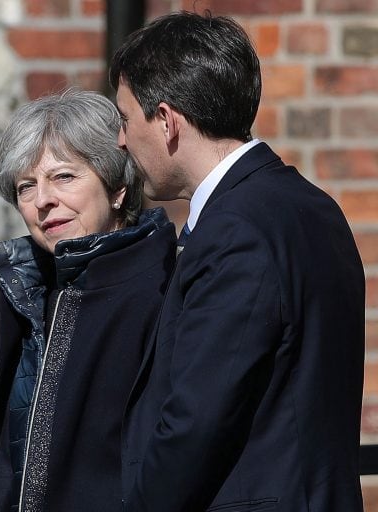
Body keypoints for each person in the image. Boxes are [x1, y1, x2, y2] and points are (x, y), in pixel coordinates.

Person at [112, 11, 365, 511]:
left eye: (125, 119)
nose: (121, 140)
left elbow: (197, 420)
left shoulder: (236, 230)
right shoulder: (311, 205)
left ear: (166, 121)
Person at [0, 89, 176, 512]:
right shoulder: (27, 289)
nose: (43, 200)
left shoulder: (163, 286)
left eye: (64, 177)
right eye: (27, 186)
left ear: (117, 187)